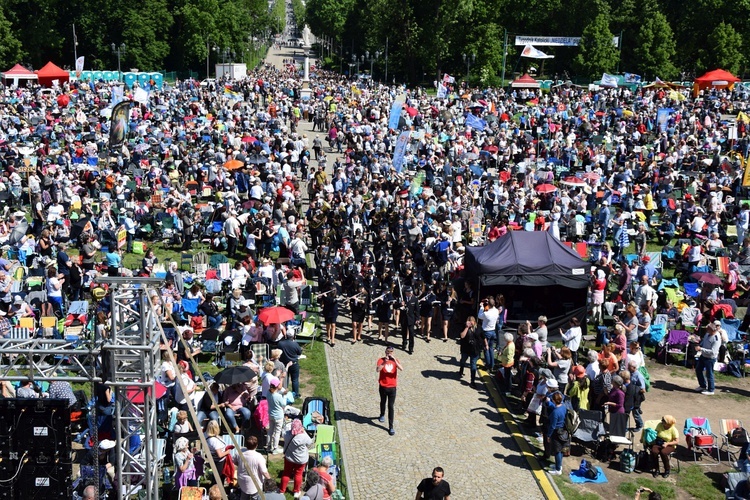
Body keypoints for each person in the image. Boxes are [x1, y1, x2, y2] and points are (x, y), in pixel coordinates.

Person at [279, 418, 313, 497]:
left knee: (286, 473)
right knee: (298, 474)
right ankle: (296, 491)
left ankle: (282, 490)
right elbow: (310, 442)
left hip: (289, 458)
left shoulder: (287, 434)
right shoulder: (303, 436)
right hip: (301, 460)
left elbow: (283, 432)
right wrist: (303, 431)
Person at [376, 345, 402, 436]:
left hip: (392, 387)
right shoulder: (381, 360)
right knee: (383, 402)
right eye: (388, 352)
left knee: (391, 407)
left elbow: (401, 368)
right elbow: (378, 369)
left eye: (391, 352)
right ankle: (382, 414)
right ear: (385, 352)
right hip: (383, 386)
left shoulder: (395, 360)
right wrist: (384, 363)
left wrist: (394, 360)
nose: (389, 353)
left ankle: (391, 427)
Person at [235, 436, 271, 500]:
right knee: (256, 497)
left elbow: (235, 461)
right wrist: (270, 481)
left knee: (243, 495)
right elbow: (264, 472)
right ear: (256, 445)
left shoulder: (240, 451)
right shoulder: (258, 457)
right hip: (255, 483)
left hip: (242, 480)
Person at [458, 316, 485, 389]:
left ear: (475, 322)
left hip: (475, 350)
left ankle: (472, 381)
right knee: (463, 361)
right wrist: (467, 327)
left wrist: (486, 345)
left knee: (473, 366)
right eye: (469, 321)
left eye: (471, 321)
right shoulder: (464, 326)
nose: (470, 322)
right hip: (465, 349)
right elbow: (462, 336)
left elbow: (483, 336)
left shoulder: (479, 328)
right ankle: (461, 369)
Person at [695, 322, 721, 395]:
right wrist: (698, 344)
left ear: (712, 330)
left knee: (709, 374)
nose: (706, 330)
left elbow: (713, 352)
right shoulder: (707, 334)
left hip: (710, 358)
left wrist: (701, 349)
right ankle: (702, 385)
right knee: (698, 370)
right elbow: (704, 342)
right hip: (703, 356)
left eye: (708, 329)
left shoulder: (716, 339)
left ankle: (711, 390)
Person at [546, 392, 568, 476]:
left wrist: (548, 435)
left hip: (556, 433)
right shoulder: (563, 407)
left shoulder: (555, 412)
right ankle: (558, 465)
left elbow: (552, 426)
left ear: (554, 400)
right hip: (563, 431)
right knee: (561, 450)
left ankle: (558, 469)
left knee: (557, 451)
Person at [278, 330, 302, 397]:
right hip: (293, 363)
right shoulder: (295, 344)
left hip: (284, 364)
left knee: (285, 379)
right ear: (293, 336)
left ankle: (284, 392)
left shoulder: (280, 343)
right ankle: (296, 394)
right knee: (295, 379)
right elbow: (299, 352)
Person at [477, 296, 499, 372]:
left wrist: (481, 307)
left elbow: (479, 316)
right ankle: (492, 365)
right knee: (491, 349)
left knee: (486, 349)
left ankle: (488, 365)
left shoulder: (487, 313)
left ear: (488, 305)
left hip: (486, 332)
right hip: (493, 331)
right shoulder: (496, 311)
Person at [266, 377, 286, 453]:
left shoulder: (268, 393)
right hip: (279, 416)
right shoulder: (278, 396)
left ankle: (268, 446)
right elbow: (283, 404)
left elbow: (274, 393)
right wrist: (284, 395)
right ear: (277, 386)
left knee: (270, 431)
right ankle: (275, 448)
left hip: (271, 415)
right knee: (277, 432)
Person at [400, 286, 419, 354]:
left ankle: (411, 348)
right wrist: (400, 304)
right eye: (409, 292)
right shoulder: (402, 298)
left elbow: (417, 310)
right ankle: (404, 343)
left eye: (411, 292)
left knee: (411, 333)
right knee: (404, 332)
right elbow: (395, 306)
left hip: (411, 319)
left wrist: (417, 319)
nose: (411, 293)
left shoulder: (414, 299)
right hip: (404, 318)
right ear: (406, 293)